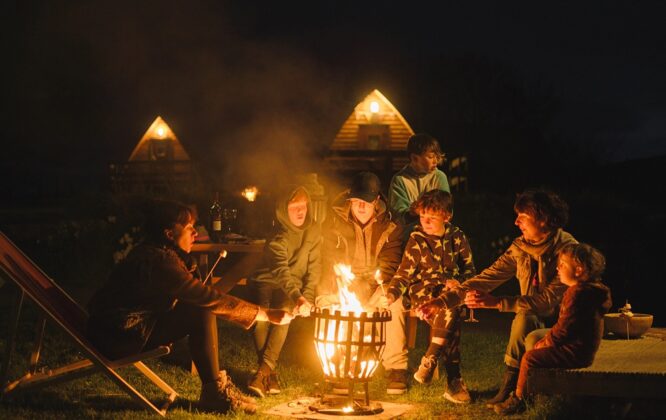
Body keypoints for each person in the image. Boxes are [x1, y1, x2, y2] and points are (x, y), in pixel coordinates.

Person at [86, 199, 292, 415]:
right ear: (169, 234)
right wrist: (266, 314)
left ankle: (216, 389)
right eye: (188, 227)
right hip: (118, 337)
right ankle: (214, 393)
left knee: (199, 308)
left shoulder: (157, 253)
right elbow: (208, 297)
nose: (195, 233)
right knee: (201, 308)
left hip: (117, 330)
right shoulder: (160, 262)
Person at [416, 188, 577, 408]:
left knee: (525, 317)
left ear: (543, 220)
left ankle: (517, 391)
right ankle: (509, 386)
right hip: (531, 316)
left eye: (523, 217)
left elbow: (546, 301)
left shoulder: (568, 251)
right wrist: (441, 302)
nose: (516, 222)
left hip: (564, 321)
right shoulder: (521, 247)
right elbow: (486, 278)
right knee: (524, 318)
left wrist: (497, 302)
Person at [317, 171, 409, 394]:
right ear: (350, 198)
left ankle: (396, 368)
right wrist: (347, 285)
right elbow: (330, 257)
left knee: (392, 304)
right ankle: (342, 366)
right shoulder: (335, 220)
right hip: (345, 283)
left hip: (378, 283)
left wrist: (371, 288)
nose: (360, 207)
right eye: (356, 201)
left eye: (365, 202)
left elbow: (390, 263)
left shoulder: (391, 225)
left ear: (376, 201)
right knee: (332, 305)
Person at [494, 243, 612, 415]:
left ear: (578, 270)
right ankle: (537, 391)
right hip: (583, 348)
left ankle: (519, 399)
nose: (558, 268)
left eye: (563, 264)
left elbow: (563, 330)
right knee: (535, 341)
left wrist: (546, 343)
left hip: (575, 352)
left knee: (529, 358)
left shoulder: (577, 294)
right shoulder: (591, 291)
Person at [386, 189, 476, 404]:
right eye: (422, 216)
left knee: (451, 300)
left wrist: (459, 282)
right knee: (451, 308)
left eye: (432, 217)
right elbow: (403, 273)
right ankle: (453, 380)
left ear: (447, 216)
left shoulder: (458, 237)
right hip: (424, 296)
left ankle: (430, 359)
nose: (425, 221)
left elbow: (471, 271)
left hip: (451, 295)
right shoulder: (417, 239)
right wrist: (392, 293)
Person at [246, 185, 321, 398]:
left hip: (291, 287)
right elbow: (281, 272)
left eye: (303, 206)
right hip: (266, 280)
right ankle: (268, 373)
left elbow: (315, 268)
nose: (300, 211)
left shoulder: (314, 231)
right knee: (262, 319)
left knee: (285, 313)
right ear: (283, 210)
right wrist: (298, 297)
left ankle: (262, 374)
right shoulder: (277, 236)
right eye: (294, 206)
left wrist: (306, 298)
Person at [388, 133, 450, 235]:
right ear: (414, 158)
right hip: (410, 235)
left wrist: (423, 209)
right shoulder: (400, 180)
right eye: (430, 157)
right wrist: (411, 213)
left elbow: (446, 207)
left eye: (436, 157)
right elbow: (397, 215)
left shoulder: (439, 177)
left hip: (436, 233)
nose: (435, 161)